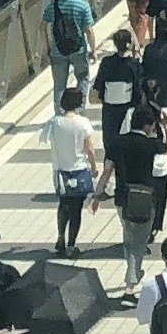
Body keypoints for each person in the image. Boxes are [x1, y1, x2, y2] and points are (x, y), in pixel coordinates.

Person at [48, 90, 107, 258]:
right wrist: (94, 166)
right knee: (76, 210)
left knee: (63, 205)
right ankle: (71, 245)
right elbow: (89, 148)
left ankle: (60, 236)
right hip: (79, 170)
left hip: (61, 171)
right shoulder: (83, 123)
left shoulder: (55, 122)